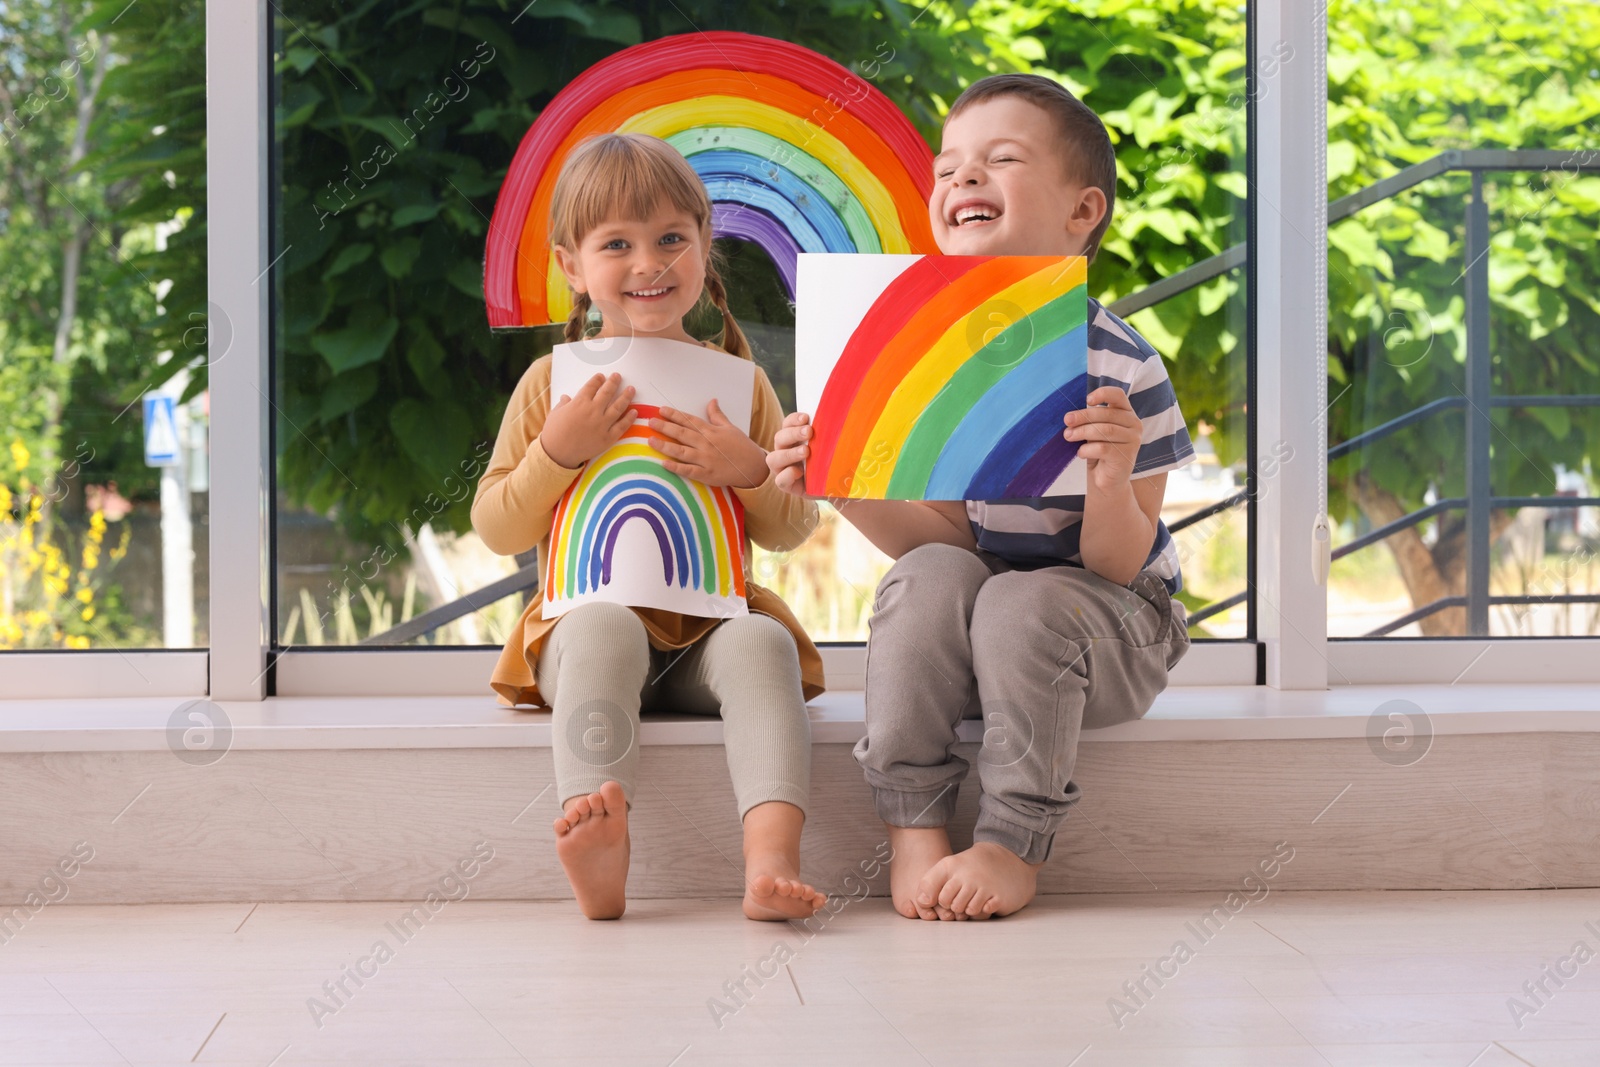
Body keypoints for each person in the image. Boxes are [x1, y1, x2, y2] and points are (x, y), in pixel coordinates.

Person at [766, 74, 1195, 920]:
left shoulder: (1124, 364)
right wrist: (843, 484)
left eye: (1000, 160)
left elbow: (1117, 560)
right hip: (986, 622)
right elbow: (950, 545)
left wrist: (1110, 478)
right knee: (930, 577)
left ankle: (1011, 836)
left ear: (1083, 213)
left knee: (1022, 599)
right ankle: (914, 820)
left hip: (1116, 626)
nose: (961, 180)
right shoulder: (940, 355)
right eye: (948, 169)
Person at [473, 133, 827, 922]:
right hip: (590, 638)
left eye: (673, 237)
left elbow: (792, 527)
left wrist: (746, 469)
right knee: (603, 628)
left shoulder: (740, 382)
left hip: (709, 638)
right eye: (617, 244)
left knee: (764, 641)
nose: (650, 263)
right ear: (573, 266)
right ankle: (603, 845)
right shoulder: (551, 386)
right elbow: (496, 524)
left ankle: (770, 860)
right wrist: (557, 452)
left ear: (705, 247)